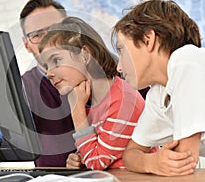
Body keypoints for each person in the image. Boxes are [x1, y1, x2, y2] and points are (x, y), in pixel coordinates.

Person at [111, 0, 205, 176]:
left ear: (148, 39)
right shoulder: (159, 93)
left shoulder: (187, 60)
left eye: (121, 49)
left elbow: (185, 162)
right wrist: (151, 162)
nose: (119, 67)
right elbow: (131, 154)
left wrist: (157, 163)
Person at [38, 16, 146, 170]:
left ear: (85, 55)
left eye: (56, 61)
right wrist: (79, 158)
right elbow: (96, 152)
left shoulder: (123, 102)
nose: (48, 73)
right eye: (46, 65)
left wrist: (77, 112)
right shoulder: (93, 102)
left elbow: (96, 163)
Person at [19, 0, 76, 167]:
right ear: (27, 44)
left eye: (54, 29)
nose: (47, 40)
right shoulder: (22, 88)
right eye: (37, 35)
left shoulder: (105, 70)